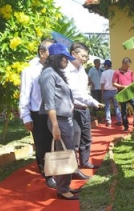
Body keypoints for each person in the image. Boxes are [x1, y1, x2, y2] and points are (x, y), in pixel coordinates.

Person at [38, 43, 81, 200]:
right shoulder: (48, 75)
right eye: (64, 58)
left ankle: (65, 186)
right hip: (59, 121)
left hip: (65, 119)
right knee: (66, 153)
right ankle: (62, 189)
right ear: (57, 58)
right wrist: (55, 125)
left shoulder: (55, 73)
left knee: (68, 152)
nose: (66, 62)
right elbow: (49, 103)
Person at [19, 38, 57, 189]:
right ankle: (48, 175)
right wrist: (26, 116)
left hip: (54, 111)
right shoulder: (29, 70)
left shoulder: (55, 68)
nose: (54, 53)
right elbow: (24, 94)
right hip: (38, 114)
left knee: (56, 143)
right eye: (50, 50)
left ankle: (58, 169)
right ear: (42, 52)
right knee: (43, 145)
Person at [65, 42, 105, 169]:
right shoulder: (66, 70)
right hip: (73, 110)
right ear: (73, 54)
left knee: (86, 138)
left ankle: (85, 162)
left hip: (84, 108)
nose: (85, 59)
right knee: (74, 140)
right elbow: (75, 92)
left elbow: (84, 90)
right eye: (83, 56)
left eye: (86, 56)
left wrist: (91, 102)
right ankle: (73, 167)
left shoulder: (82, 70)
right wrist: (93, 102)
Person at [112, 57, 134, 131]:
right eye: (127, 65)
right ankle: (125, 126)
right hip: (122, 93)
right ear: (123, 64)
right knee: (123, 110)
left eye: (129, 66)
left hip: (131, 93)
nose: (128, 67)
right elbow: (114, 83)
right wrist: (122, 86)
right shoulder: (117, 72)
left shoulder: (130, 72)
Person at [100, 59, 122, 126]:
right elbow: (118, 82)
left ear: (106, 65)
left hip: (107, 91)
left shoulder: (103, 73)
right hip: (114, 91)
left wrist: (102, 92)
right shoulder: (115, 72)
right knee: (116, 106)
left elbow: (102, 84)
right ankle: (119, 120)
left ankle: (109, 121)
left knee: (107, 107)